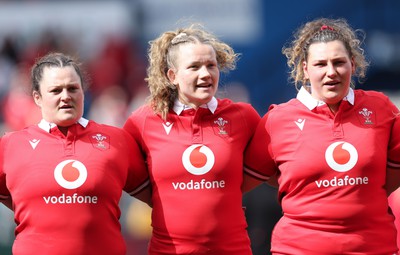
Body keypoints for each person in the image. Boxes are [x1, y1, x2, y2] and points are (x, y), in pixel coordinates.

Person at [244, 17, 400, 254]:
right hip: (299, 248)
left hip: (373, 247)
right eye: (320, 64)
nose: (331, 72)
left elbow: (390, 177)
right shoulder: (277, 120)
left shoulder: (381, 108)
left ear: (353, 65)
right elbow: (250, 179)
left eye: (339, 62)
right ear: (305, 69)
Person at [123, 24, 261, 254]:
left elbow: (264, 170)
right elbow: (130, 179)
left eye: (211, 65)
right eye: (194, 67)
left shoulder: (243, 116)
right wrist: (164, 194)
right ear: (172, 75)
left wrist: (226, 188)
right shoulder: (143, 121)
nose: (205, 74)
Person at [0, 52, 150, 255]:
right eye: (55, 90)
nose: (66, 96)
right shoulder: (11, 145)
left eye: (73, 88)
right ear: (37, 97)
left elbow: (158, 196)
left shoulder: (116, 140)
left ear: (83, 92)